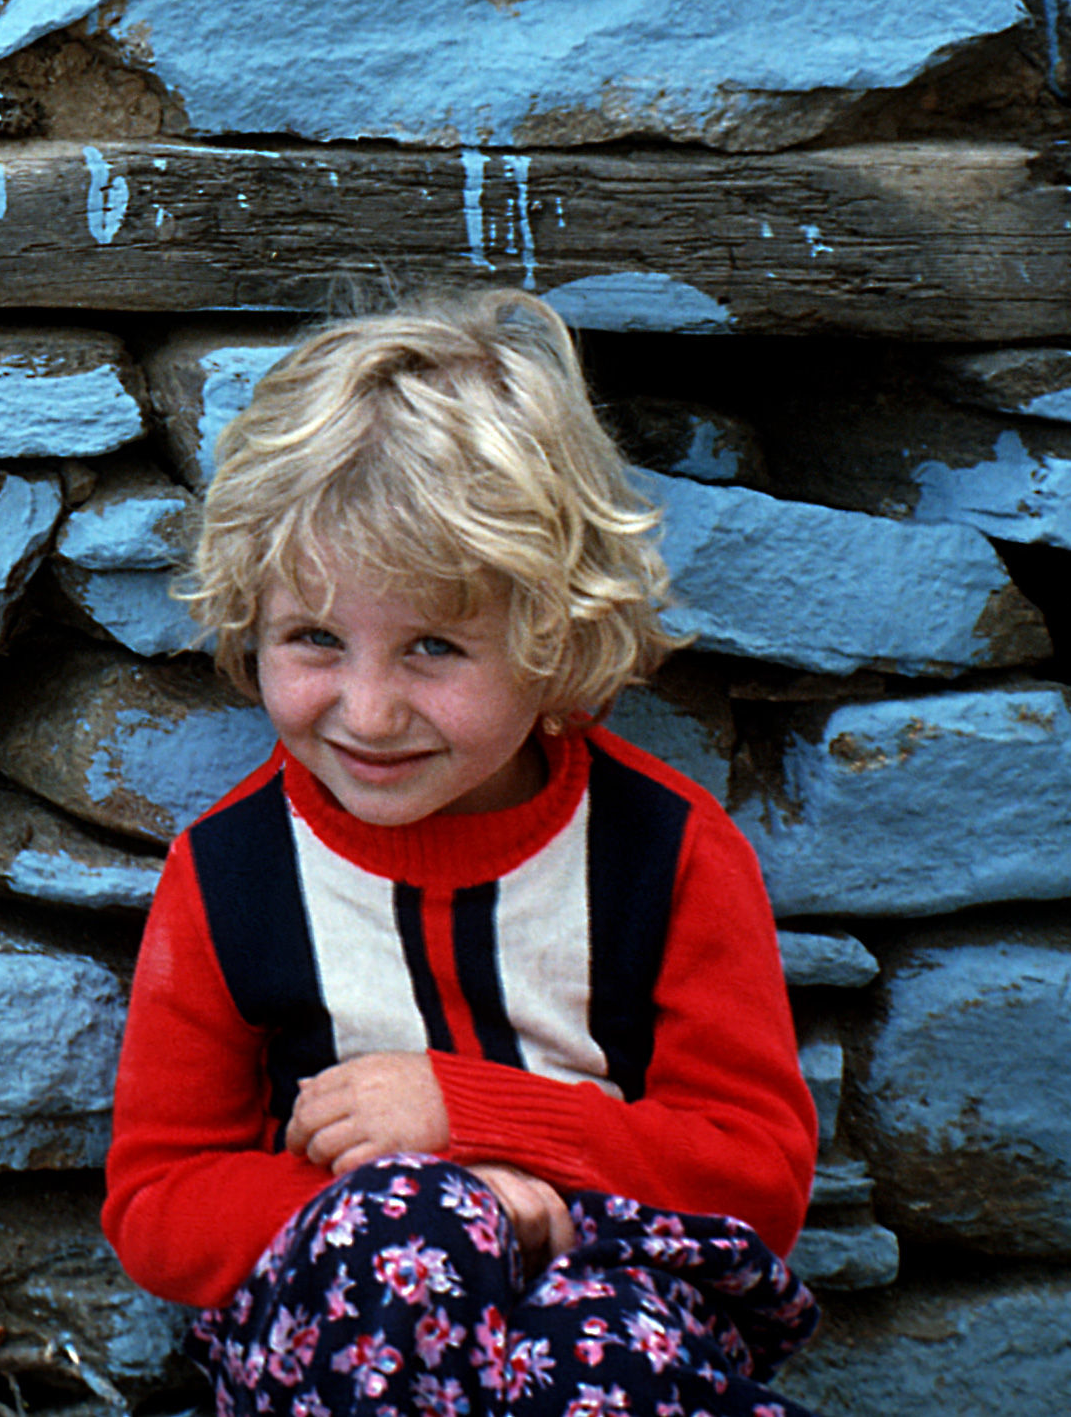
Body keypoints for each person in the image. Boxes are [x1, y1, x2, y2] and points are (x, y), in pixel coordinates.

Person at [100, 291, 821, 1416]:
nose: (370, 711)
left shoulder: (667, 851)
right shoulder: (236, 870)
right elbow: (159, 1199)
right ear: (251, 620)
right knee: (409, 1234)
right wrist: (414, 1207)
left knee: (606, 1365)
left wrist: (475, 1120)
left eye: (435, 645)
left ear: (556, 639)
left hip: (611, 1296)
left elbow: (757, 1180)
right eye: (315, 639)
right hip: (338, 1317)